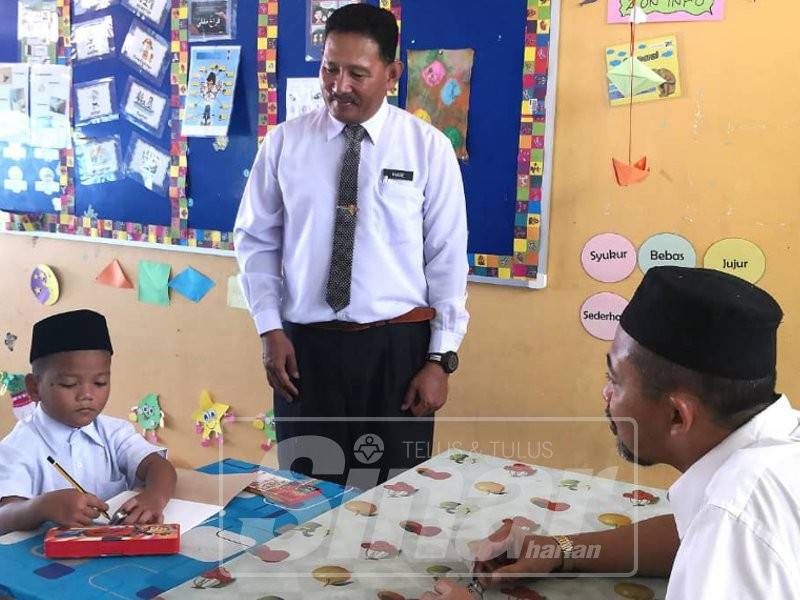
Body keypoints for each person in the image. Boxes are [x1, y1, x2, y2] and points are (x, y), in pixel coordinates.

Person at [422, 266, 800, 599]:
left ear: (676, 416)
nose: (605, 393)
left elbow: (723, 528)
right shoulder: (774, 451)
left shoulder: (736, 512)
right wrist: (561, 550)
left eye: (615, 380)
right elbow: (691, 535)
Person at [234, 3, 468, 488]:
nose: (339, 86)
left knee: (394, 496)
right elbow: (256, 240)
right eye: (330, 69)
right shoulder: (284, 144)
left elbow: (447, 257)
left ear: (392, 73)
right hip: (305, 352)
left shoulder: (427, 148)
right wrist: (268, 329)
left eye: (357, 73)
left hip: (398, 353)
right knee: (307, 495)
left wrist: (440, 358)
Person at [0, 310, 177, 534]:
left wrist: (154, 498)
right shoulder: (18, 448)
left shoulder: (113, 431)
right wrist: (41, 507)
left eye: (100, 382)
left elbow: (159, 466)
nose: (87, 394)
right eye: (69, 384)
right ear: (35, 388)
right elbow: (4, 517)